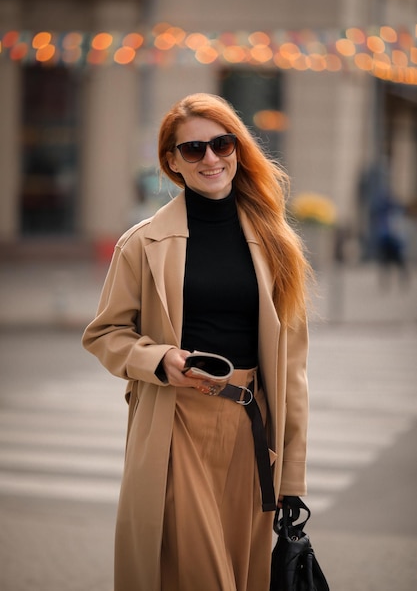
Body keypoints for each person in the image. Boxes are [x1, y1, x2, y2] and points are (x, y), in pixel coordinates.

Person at [82, 92, 311, 591]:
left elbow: (292, 371)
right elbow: (104, 334)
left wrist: (291, 479)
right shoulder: (141, 243)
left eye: (221, 144)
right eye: (193, 150)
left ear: (236, 150)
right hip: (176, 419)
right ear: (172, 163)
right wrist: (158, 358)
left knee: (242, 571)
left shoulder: (276, 244)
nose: (210, 158)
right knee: (200, 576)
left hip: (252, 431)